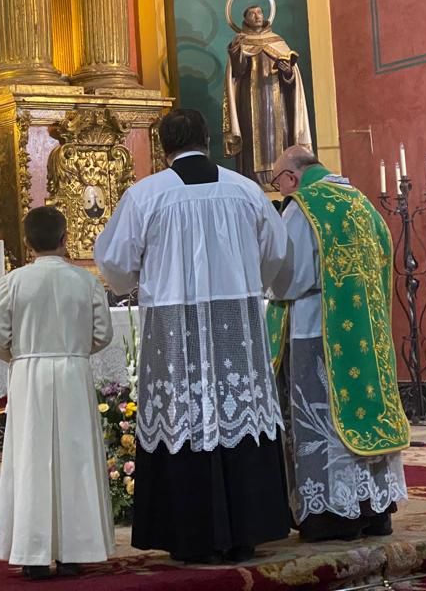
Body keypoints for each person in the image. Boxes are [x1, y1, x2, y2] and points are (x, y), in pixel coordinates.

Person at [94, 108, 291, 563]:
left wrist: (141, 278)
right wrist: (249, 281)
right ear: (208, 139)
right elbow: (277, 253)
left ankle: (189, 534)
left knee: (182, 414)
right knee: (238, 412)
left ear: (165, 147)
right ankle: (246, 528)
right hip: (235, 325)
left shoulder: (146, 195)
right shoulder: (245, 191)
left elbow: (116, 264)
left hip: (173, 325)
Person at [266, 146, 409, 541]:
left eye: (278, 182)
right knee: (362, 411)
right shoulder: (361, 203)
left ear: (292, 178)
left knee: (323, 418)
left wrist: (265, 281)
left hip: (317, 330)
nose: (279, 190)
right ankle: (374, 508)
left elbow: (289, 277)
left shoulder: (303, 208)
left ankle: (333, 516)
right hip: (365, 331)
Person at [0, 206, 115, 579]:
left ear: (27, 242)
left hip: (29, 374)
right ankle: (74, 551)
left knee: (31, 460)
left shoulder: (13, 282)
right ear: (64, 238)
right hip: (72, 372)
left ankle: (33, 553)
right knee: (75, 459)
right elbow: (103, 334)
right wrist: (74, 352)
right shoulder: (85, 281)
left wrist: (22, 357)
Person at [223, 0, 312, 189]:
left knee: (278, 137)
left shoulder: (277, 41)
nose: (257, 16)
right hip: (249, 99)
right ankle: (253, 181)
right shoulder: (241, 41)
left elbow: (292, 78)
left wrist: (287, 71)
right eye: (252, 13)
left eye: (260, 12)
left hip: (276, 100)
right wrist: (236, 50)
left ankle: (279, 177)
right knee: (252, 140)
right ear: (244, 18)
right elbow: (236, 72)